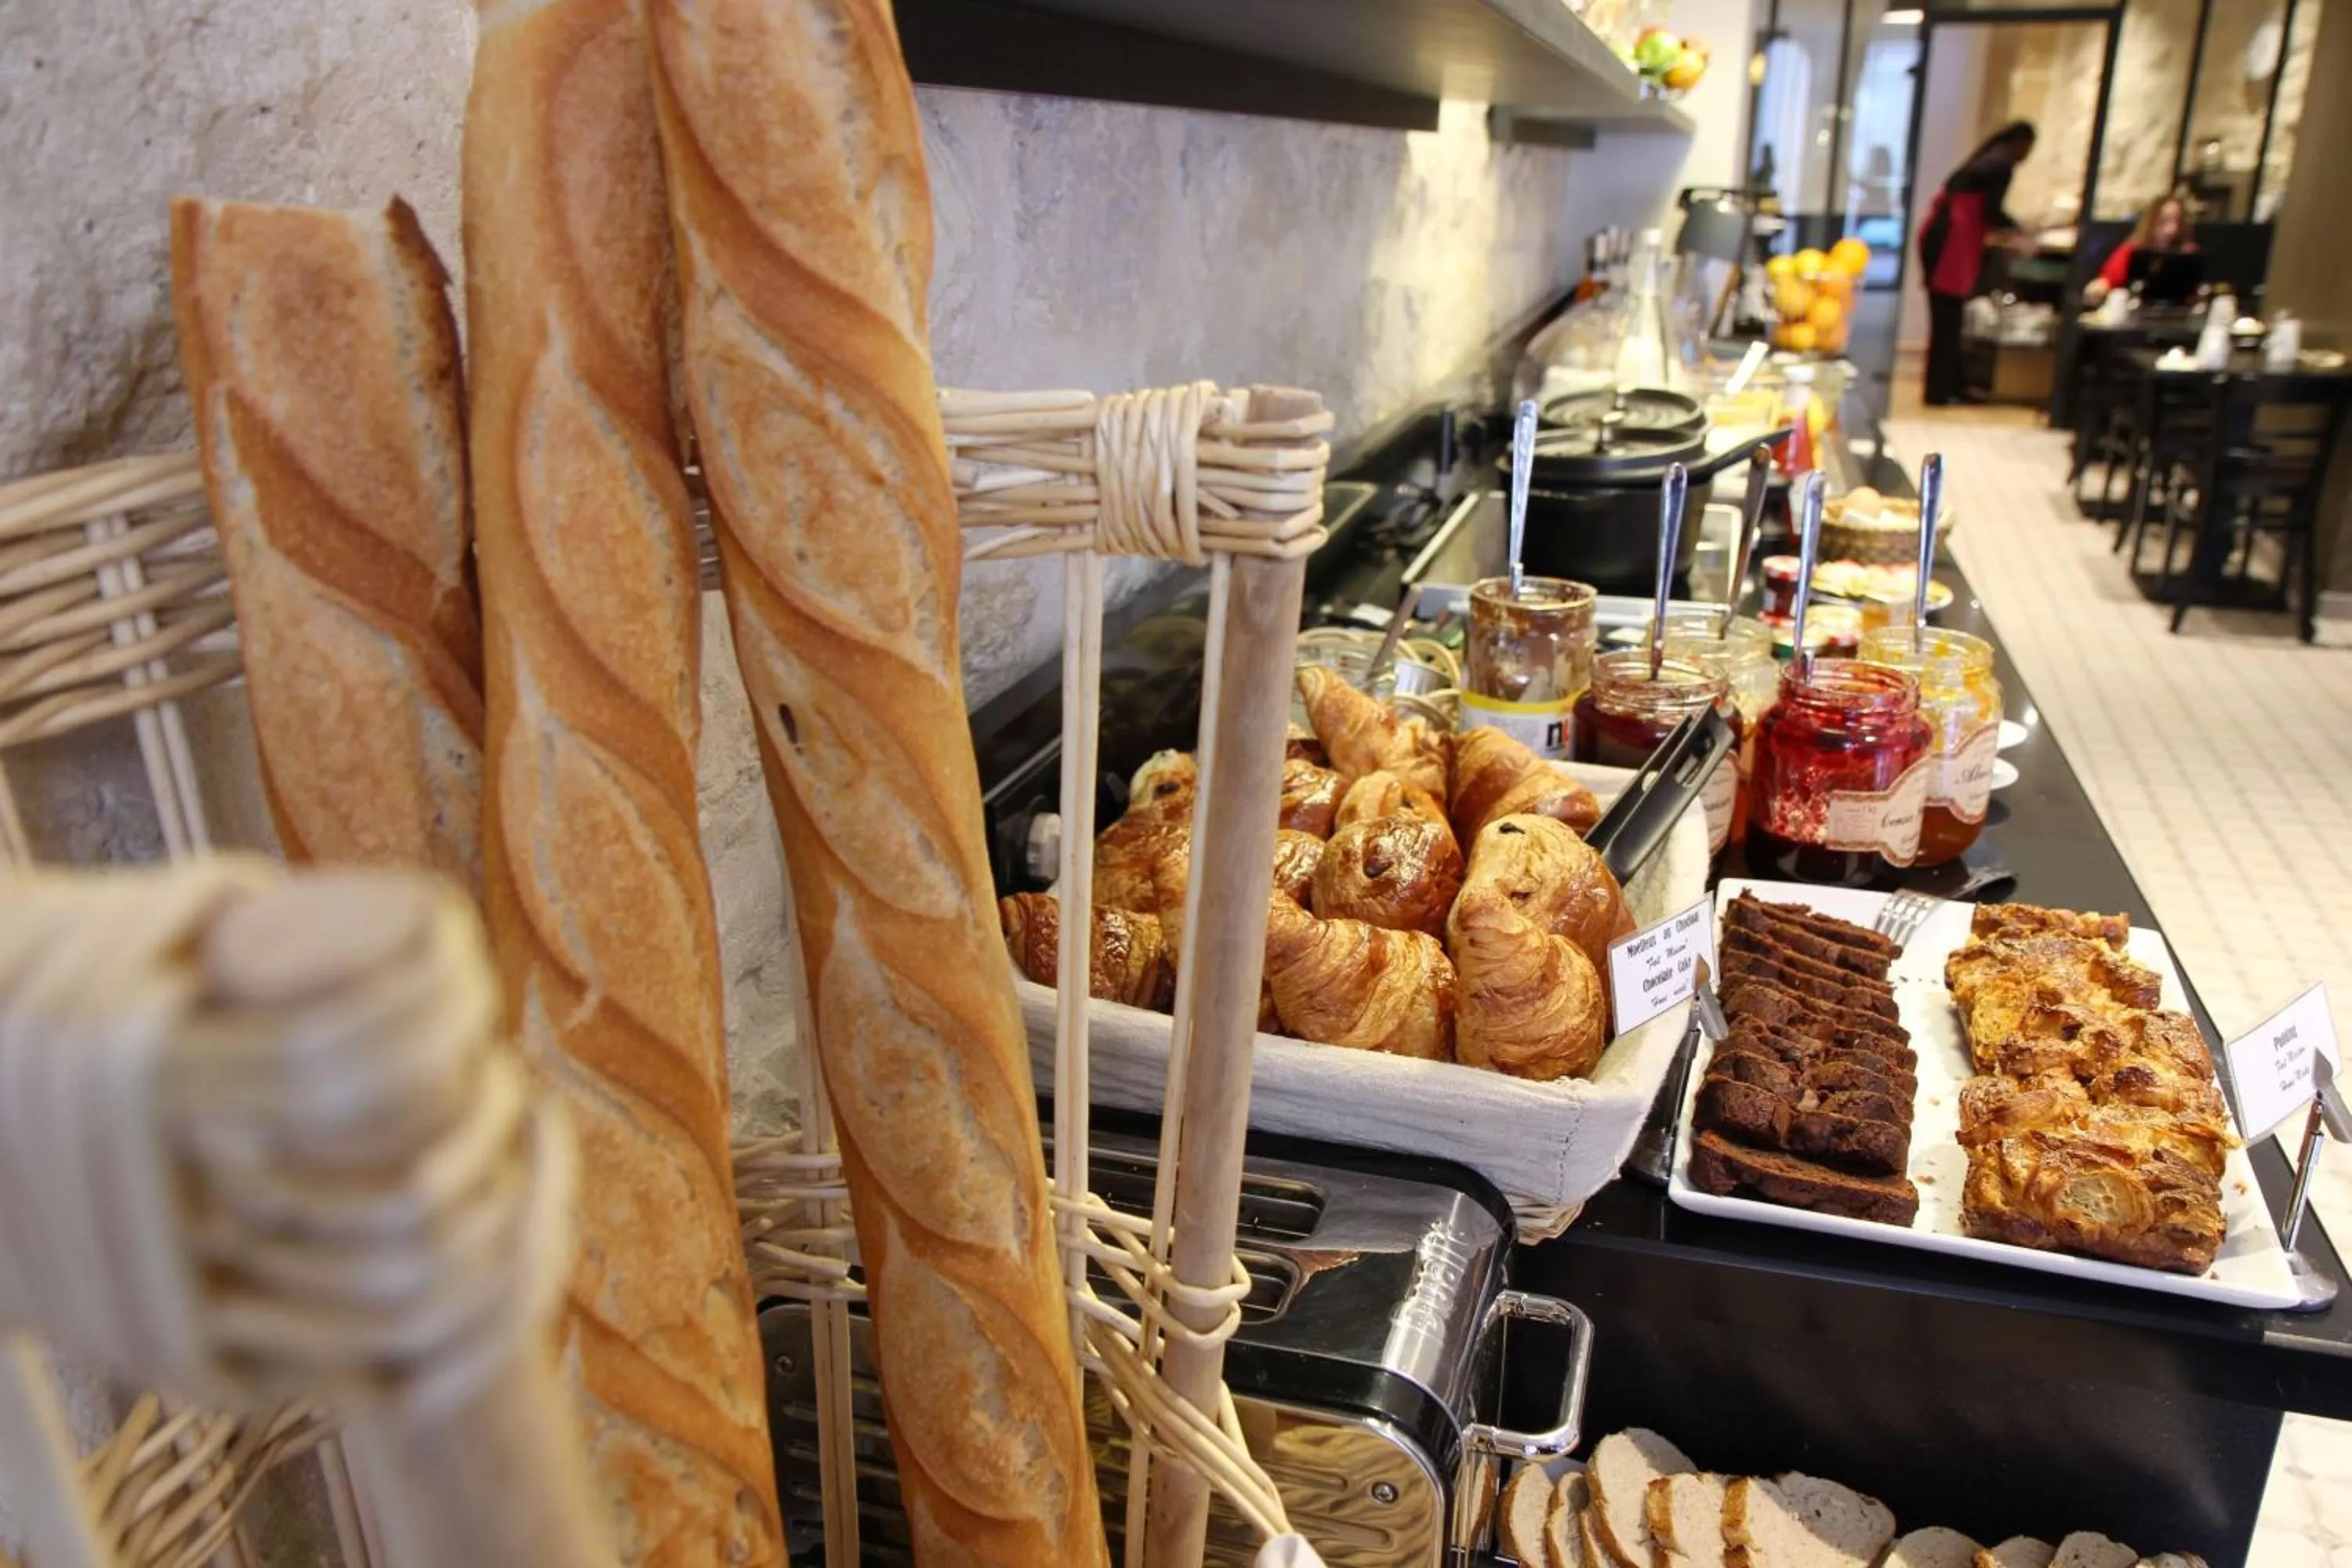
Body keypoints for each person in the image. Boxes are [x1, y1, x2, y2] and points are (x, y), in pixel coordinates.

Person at [1916, 122, 2038, 406]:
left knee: (1948, 320)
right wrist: (2020, 232)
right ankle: (1940, 392)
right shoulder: (2001, 164)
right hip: (1950, 241)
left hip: (1943, 236)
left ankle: (1951, 387)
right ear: (2020, 142)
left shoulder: (1988, 159)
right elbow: (1993, 211)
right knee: (1948, 321)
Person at [2083, 194, 2194, 306]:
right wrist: (2098, 288)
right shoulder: (2132, 249)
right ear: (2151, 222)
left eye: (2177, 222)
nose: (2172, 230)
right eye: (2163, 221)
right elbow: (2107, 281)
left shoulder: (2188, 252)